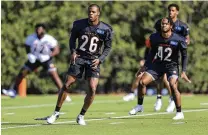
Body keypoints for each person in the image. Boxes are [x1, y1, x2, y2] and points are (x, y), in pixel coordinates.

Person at [46, 4, 113, 125]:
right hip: (80, 58)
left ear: (98, 13)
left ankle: (81, 115)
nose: (90, 14)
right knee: (67, 85)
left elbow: (108, 47)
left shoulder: (106, 29)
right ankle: (56, 113)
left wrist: (100, 59)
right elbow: (72, 39)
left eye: (93, 12)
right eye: (89, 12)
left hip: (93, 60)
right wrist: (73, 52)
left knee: (92, 88)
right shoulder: (79, 24)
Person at [123, 3, 190, 113]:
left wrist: (183, 71)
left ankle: (179, 111)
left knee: (173, 85)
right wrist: (145, 66)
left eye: (166, 24)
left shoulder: (178, 38)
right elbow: (151, 52)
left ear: (171, 26)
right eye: (162, 24)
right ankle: (140, 105)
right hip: (157, 64)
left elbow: (184, 54)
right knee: (141, 82)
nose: (163, 26)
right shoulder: (154, 37)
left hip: (171, 65)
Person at [2, 23, 72, 102]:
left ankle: (64, 93)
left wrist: (49, 55)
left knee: (54, 75)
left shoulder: (49, 39)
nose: (38, 31)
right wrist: (29, 54)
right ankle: (13, 90)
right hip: (35, 59)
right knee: (23, 72)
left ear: (44, 30)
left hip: (46, 59)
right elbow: (27, 46)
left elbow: (57, 50)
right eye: (37, 29)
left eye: (40, 29)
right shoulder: (31, 38)